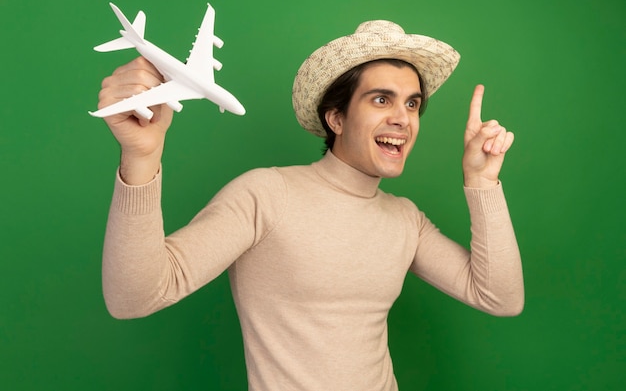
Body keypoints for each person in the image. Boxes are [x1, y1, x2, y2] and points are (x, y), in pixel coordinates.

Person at [96, 19, 524, 391]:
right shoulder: (266, 194)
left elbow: (500, 298)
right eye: (381, 99)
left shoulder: (405, 219)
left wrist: (483, 182)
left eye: (412, 104)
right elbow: (133, 297)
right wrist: (141, 158)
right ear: (335, 119)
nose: (403, 118)